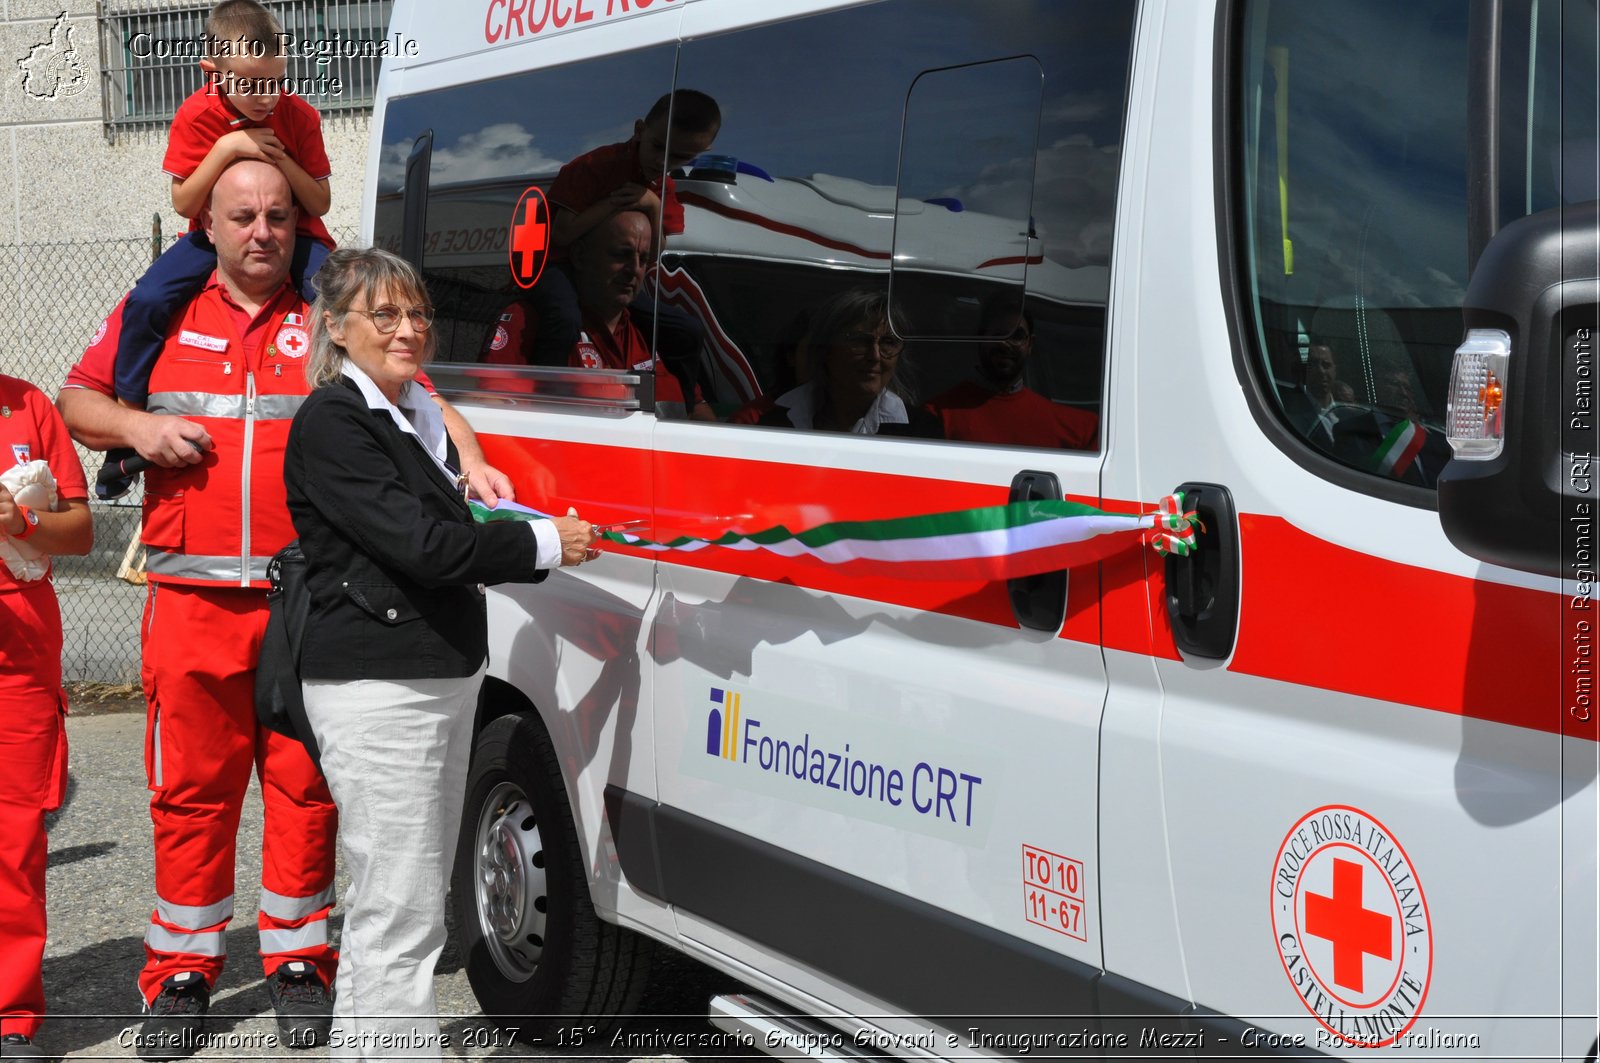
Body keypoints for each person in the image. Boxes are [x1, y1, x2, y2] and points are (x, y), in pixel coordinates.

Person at [55, 159, 515, 1061]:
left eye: (276, 214)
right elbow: (77, 398)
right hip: (192, 596)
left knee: (308, 787)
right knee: (190, 790)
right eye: (242, 216)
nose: (262, 230)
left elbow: (413, 388)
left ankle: (299, 959)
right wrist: (142, 429)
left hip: (310, 597)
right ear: (209, 228)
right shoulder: (162, 316)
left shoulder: (325, 320)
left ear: (296, 225)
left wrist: (467, 451)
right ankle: (181, 971)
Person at [285, 247, 596, 1058]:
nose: (408, 328)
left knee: (399, 901)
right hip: (380, 689)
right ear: (338, 328)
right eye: (384, 315)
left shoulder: (412, 410)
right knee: (405, 909)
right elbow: (424, 547)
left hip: (433, 679)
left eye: (417, 312)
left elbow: (439, 494)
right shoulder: (332, 421)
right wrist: (542, 543)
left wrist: (479, 476)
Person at [114, 0, 334, 408]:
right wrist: (227, 147)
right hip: (211, 239)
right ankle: (128, 408)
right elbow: (183, 202)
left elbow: (319, 202)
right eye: (250, 85)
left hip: (298, 235)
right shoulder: (197, 115)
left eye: (275, 82)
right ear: (213, 73)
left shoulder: (300, 116)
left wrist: (281, 157)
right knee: (148, 300)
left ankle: (355, 408)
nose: (265, 97)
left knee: (340, 300)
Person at [0, 373, 92, 1062]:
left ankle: (13, 1012)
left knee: (14, 840)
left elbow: (82, 531)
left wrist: (19, 521)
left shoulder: (27, 404)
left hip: (19, 660)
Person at [512, 90, 721, 378]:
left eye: (680, 156)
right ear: (639, 130)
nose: (663, 162)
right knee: (563, 319)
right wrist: (614, 202)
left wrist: (653, 204)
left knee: (687, 329)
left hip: (601, 275)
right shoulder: (594, 166)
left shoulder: (662, 187)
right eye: (658, 147)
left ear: (702, 152)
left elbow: (654, 253)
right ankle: (547, 394)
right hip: (551, 264)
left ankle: (685, 405)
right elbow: (563, 234)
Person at [485, 210, 713, 418]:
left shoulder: (657, 331)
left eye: (643, 259)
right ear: (579, 256)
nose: (634, 269)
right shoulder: (530, 321)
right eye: (621, 255)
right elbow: (486, 406)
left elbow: (697, 412)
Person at [730, 288, 942, 437]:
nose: (875, 356)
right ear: (826, 348)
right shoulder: (776, 423)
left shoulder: (920, 432)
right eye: (859, 341)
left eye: (888, 343)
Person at [925, 300, 1099, 449]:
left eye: (1017, 336)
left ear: (1030, 344)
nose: (1005, 343)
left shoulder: (1083, 429)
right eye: (997, 334)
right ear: (981, 338)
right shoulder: (937, 415)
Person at [1279, 342, 1347, 450]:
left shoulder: (1348, 410)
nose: (1321, 371)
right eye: (1313, 365)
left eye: (1326, 365)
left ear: (1335, 370)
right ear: (1303, 370)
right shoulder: (1290, 412)